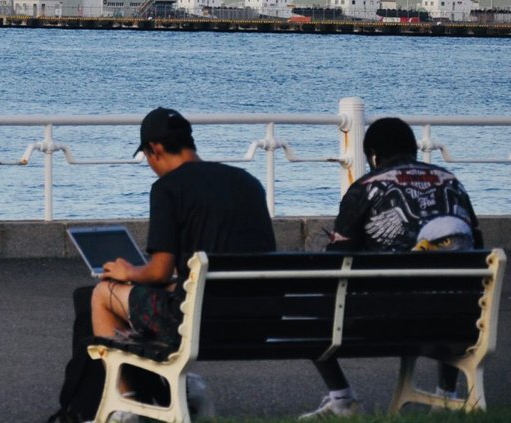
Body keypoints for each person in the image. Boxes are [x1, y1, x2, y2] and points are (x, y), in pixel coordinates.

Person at [49, 107, 275, 423]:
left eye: (147, 156)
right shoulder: (247, 182)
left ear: (154, 149)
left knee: (102, 294)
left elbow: (159, 270)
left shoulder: (168, 187)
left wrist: (128, 272)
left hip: (200, 322)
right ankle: (181, 390)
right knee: (163, 294)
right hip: (258, 320)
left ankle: (125, 404)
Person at [300, 116, 484, 418]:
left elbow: (337, 262)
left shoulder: (365, 188)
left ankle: (342, 397)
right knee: (449, 282)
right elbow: (475, 246)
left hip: (381, 323)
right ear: (413, 149)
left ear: (373, 155)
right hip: (461, 320)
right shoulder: (452, 182)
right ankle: (447, 393)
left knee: (308, 305)